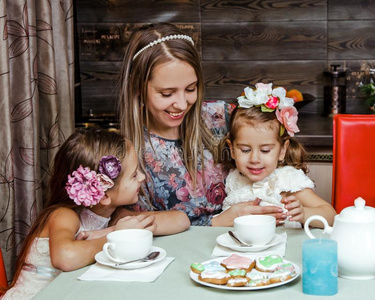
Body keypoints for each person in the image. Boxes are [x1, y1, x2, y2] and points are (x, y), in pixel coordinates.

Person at [115, 22, 285, 226]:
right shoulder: (129, 150)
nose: (181, 104)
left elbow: (279, 161)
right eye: (167, 93)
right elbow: (123, 220)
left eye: (190, 89)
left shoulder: (221, 117)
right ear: (137, 87)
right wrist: (218, 222)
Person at [1, 129, 159, 299]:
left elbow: (180, 220)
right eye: (134, 174)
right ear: (104, 195)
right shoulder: (64, 215)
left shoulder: (113, 214)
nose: (142, 177)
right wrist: (116, 235)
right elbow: (65, 257)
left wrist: (112, 230)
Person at [218, 83, 336, 228]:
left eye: (265, 150)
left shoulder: (287, 180)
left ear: (282, 150)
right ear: (232, 149)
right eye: (245, 150)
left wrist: (304, 213)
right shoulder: (233, 179)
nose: (254, 159)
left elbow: (330, 215)